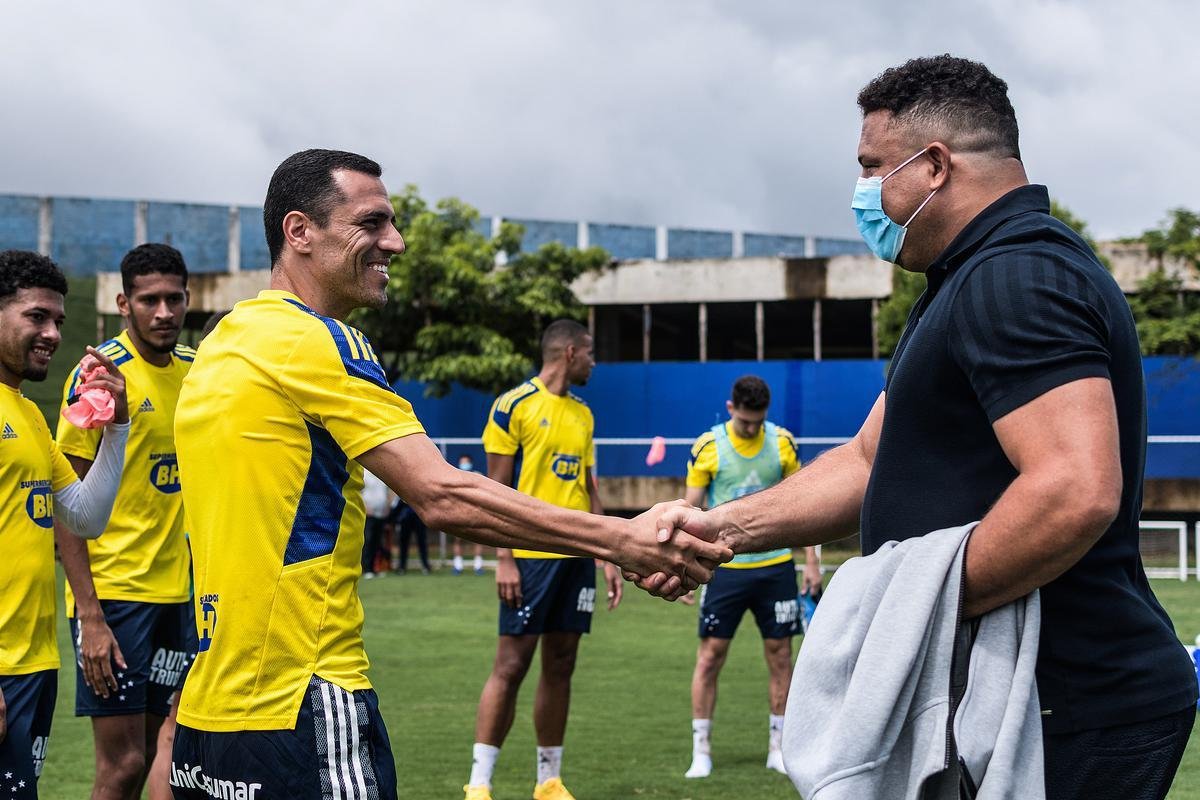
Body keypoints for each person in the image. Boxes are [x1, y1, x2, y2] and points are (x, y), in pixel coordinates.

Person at [643, 55, 1197, 800]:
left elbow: (1076, 490)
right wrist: (715, 531)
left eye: (873, 167)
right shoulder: (964, 280)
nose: (863, 193)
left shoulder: (1017, 276)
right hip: (1020, 700)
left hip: (1065, 706)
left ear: (933, 165)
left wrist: (912, 611)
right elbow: (869, 458)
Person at [167, 149, 729, 800]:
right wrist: (621, 539)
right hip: (301, 702)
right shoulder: (315, 341)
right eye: (372, 223)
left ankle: (544, 778)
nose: (395, 243)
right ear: (299, 232)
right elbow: (440, 494)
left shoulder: (220, 344)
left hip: (206, 718)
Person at [54, 243, 196, 800]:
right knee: (123, 764)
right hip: (116, 598)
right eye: (148, 300)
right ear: (123, 303)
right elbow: (69, 504)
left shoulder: (196, 372)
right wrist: (89, 615)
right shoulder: (99, 377)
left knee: (169, 748)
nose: (163, 312)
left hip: (178, 597)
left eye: (173, 299)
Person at [463, 320, 620, 800]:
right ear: (570, 352)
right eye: (591, 352)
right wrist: (504, 558)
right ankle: (479, 783)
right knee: (511, 665)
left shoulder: (584, 414)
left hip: (576, 558)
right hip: (529, 558)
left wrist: (609, 552)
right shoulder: (513, 406)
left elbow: (590, 487)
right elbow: (494, 491)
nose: (595, 362)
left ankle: (548, 781)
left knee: (562, 662)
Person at [0, 250, 130, 799]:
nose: (52, 333)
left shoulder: (26, 413)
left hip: (34, 661)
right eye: (36, 317)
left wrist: (118, 426)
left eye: (58, 320)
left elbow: (84, 515)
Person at [681, 375, 821, 779]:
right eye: (744, 422)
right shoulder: (708, 446)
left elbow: (804, 506)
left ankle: (779, 748)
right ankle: (701, 752)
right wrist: (682, 566)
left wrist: (810, 561)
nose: (751, 429)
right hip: (723, 570)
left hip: (775, 568)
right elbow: (691, 509)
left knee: (781, 656)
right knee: (710, 657)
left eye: (756, 422)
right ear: (730, 410)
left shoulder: (781, 444)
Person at [452, 454, 486, 575]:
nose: (464, 464)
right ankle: (457, 565)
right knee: (458, 540)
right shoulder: (454, 475)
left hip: (474, 512)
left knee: (477, 539)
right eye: (462, 462)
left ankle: (478, 565)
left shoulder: (477, 475)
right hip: (458, 512)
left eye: (466, 462)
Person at [360, 468, 394, 578]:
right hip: (368, 513)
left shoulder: (382, 474)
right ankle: (367, 569)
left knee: (378, 542)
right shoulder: (364, 473)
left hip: (381, 513)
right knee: (368, 541)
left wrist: (388, 507)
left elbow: (388, 492)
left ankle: (376, 568)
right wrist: (364, 507)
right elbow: (358, 491)